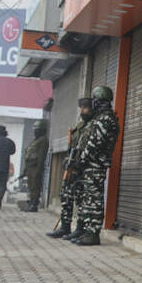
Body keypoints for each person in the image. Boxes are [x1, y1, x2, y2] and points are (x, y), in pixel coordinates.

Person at [70, 86, 120, 246]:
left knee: (94, 199)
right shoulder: (100, 118)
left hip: (95, 164)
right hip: (91, 164)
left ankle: (93, 233)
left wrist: (81, 161)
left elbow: (94, 144)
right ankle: (86, 231)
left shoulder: (106, 119)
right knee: (88, 198)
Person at [47, 97, 94, 239]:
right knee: (66, 196)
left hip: (85, 168)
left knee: (81, 199)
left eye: (85, 108)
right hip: (72, 167)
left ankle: (80, 228)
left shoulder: (93, 126)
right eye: (81, 108)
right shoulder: (80, 126)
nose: (82, 111)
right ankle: (65, 227)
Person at [22, 120, 50, 212]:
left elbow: (42, 156)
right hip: (30, 166)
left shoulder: (43, 140)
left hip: (35, 167)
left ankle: (34, 205)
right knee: (31, 186)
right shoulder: (35, 140)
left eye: (37, 130)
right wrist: (25, 169)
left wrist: (39, 168)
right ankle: (31, 203)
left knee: (35, 186)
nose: (35, 132)